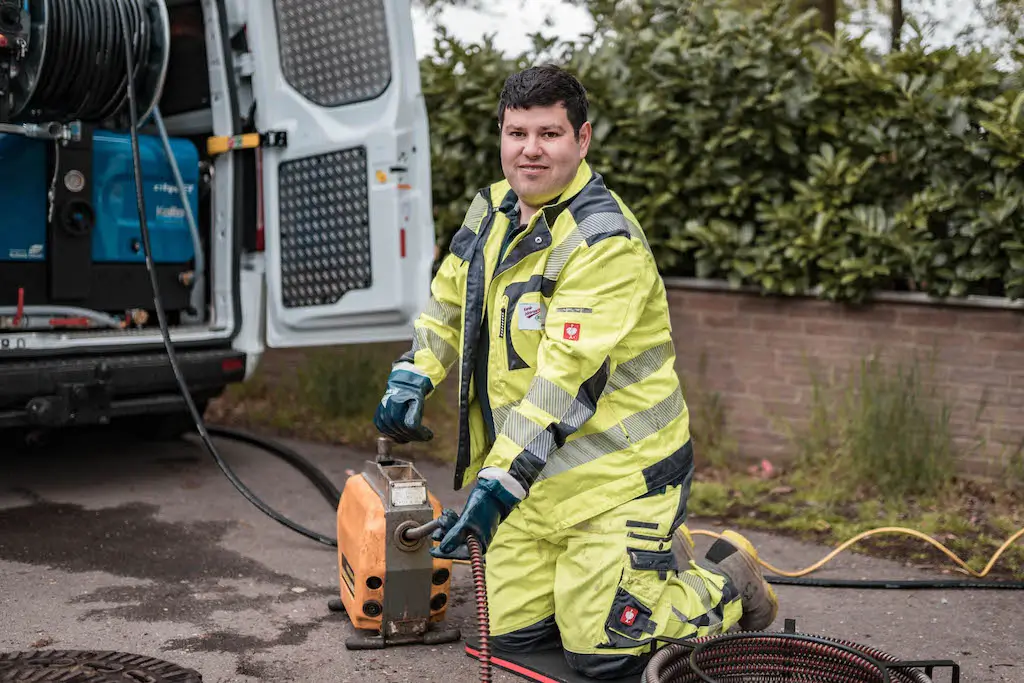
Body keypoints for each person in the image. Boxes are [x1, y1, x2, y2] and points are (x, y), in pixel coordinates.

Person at [374, 64, 778, 679]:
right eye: (516, 133)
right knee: (506, 641)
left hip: (616, 482)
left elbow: (561, 385)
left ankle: (724, 582)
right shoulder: (491, 210)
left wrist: (494, 488)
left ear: (582, 140)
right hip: (537, 485)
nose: (529, 150)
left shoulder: (602, 242)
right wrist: (415, 371)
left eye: (549, 134)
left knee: (601, 655)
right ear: (502, 136)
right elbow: (450, 300)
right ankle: (644, 569)